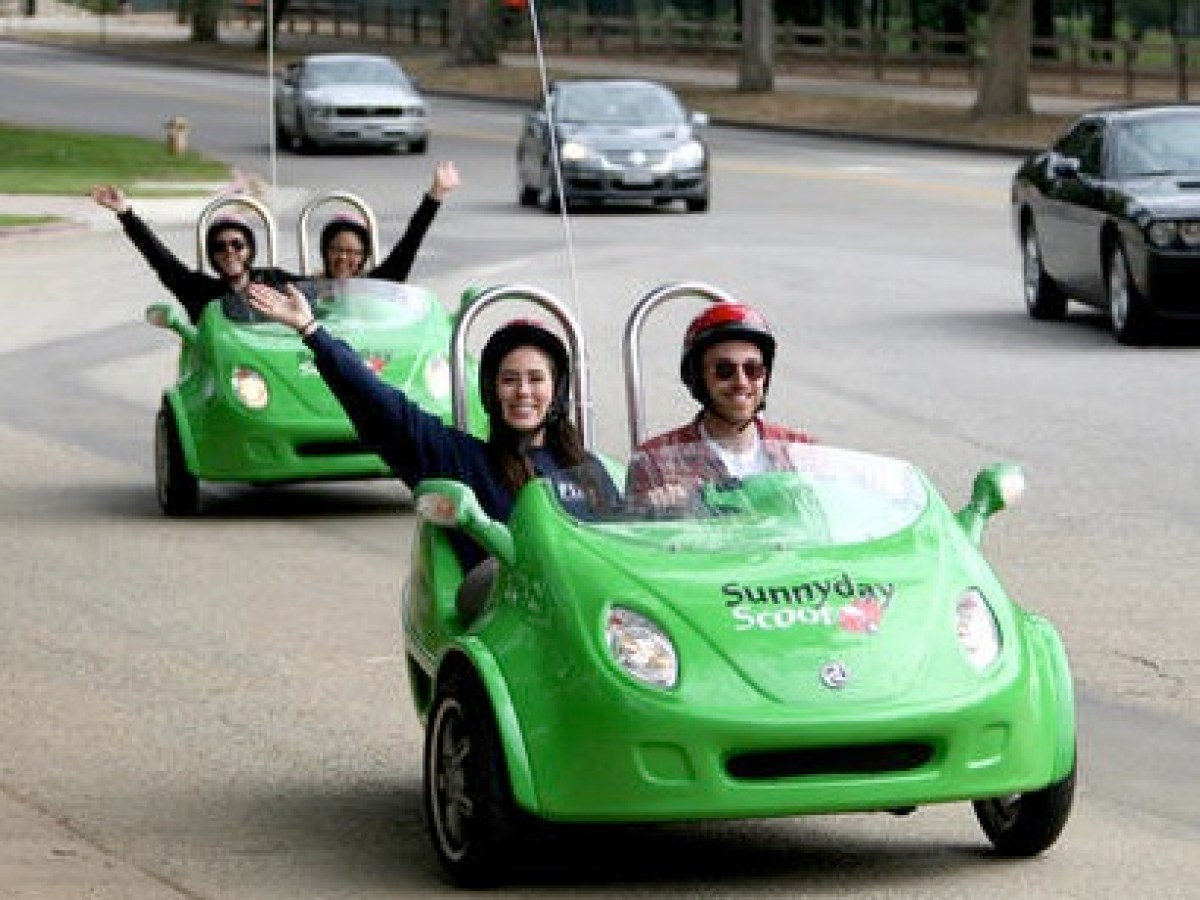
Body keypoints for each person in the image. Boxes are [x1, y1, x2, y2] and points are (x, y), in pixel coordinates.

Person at [245, 279, 618, 619]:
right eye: (510, 380)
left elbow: (627, 546)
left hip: (590, 621)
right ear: (491, 391)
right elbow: (384, 408)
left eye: (536, 379)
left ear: (557, 392)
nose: (523, 392)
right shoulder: (461, 459)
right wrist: (313, 332)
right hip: (509, 625)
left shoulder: (587, 470)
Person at [90, 160, 459, 323]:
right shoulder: (198, 289)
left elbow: (403, 256)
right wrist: (126, 213)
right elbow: (160, 259)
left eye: (238, 244)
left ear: (250, 250)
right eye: (220, 247)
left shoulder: (279, 283)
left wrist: (434, 197)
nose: (230, 252)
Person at [626, 301, 815, 507]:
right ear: (698, 379)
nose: (741, 382)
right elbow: (631, 534)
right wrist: (652, 511)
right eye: (724, 370)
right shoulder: (655, 462)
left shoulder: (802, 452)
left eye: (753, 369)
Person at [318, 160, 459, 281]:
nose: (343, 257)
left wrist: (437, 192)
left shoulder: (378, 283)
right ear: (325, 251)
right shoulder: (305, 291)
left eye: (352, 252)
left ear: (364, 256)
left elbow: (411, 240)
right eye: (336, 249)